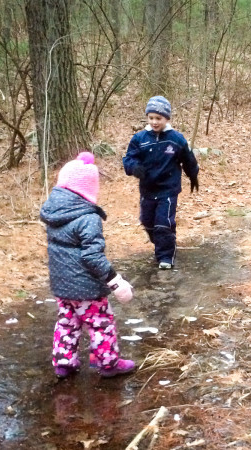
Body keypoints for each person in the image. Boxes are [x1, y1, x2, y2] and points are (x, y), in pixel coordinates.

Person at [40, 152, 136, 379]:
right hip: (86, 289)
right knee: (101, 323)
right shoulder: (87, 217)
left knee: (67, 322)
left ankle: (64, 363)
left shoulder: (54, 213)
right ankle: (108, 363)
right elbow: (92, 257)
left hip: (62, 285)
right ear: (89, 188)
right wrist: (114, 280)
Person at [123, 96, 199, 269]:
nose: (155, 122)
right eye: (151, 118)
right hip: (147, 189)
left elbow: (188, 159)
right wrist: (134, 168)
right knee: (148, 221)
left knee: (163, 223)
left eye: (159, 118)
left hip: (168, 189)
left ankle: (165, 257)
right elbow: (129, 159)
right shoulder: (140, 139)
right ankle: (162, 243)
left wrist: (193, 175)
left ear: (167, 118)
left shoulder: (176, 139)